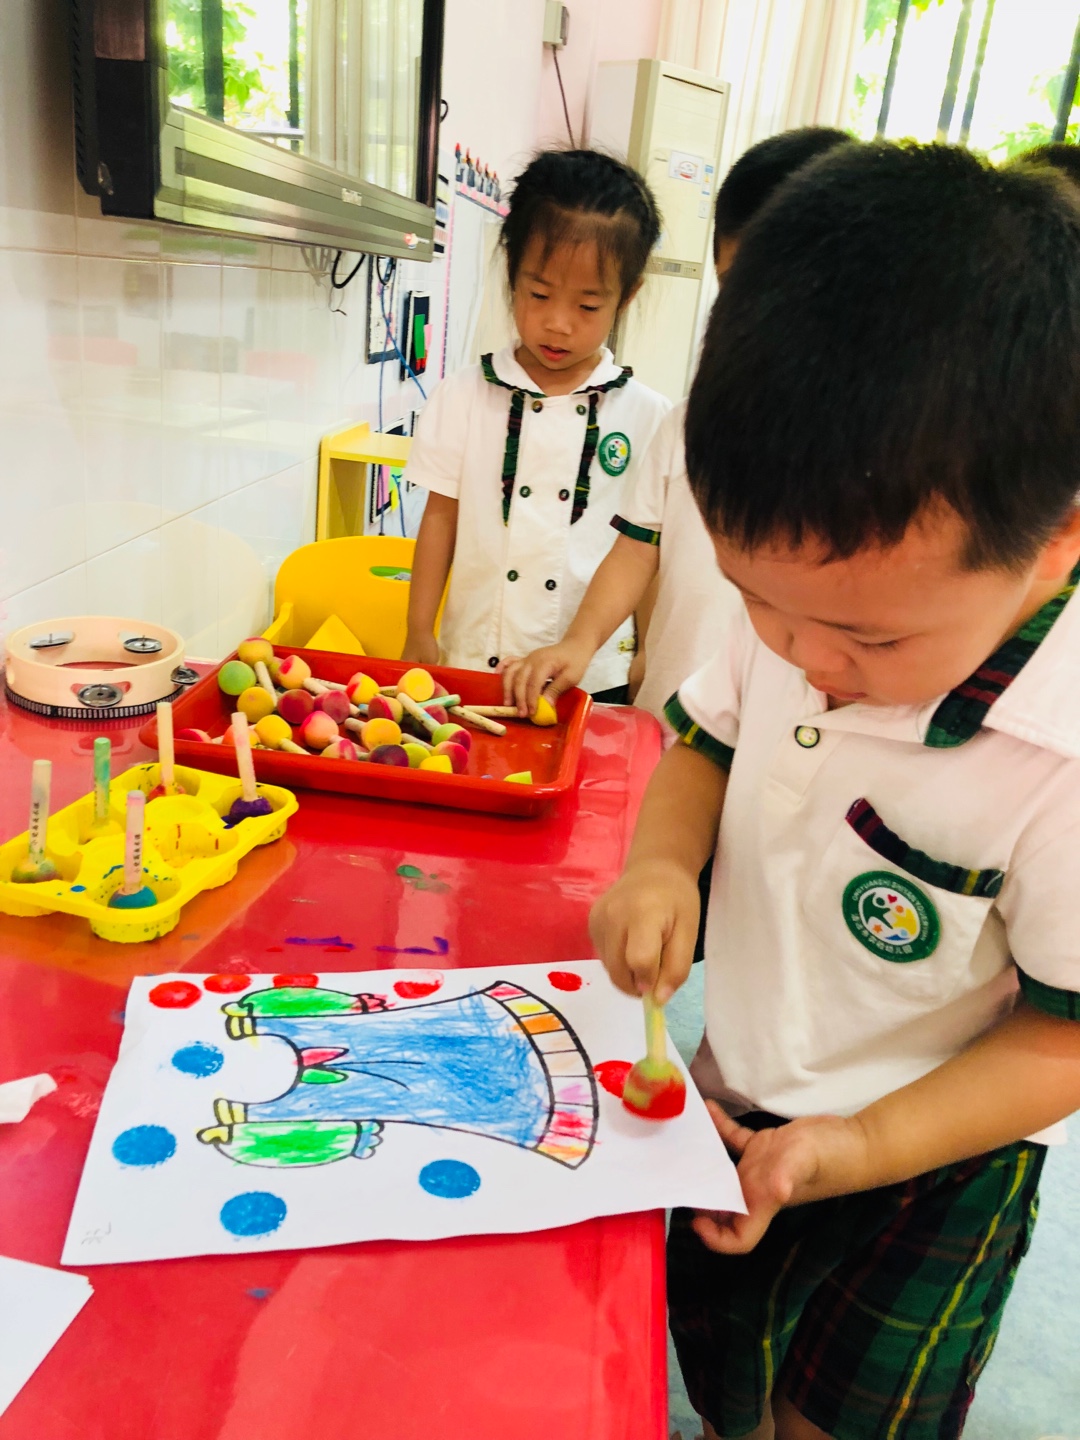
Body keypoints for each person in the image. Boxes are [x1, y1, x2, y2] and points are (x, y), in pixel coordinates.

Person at [590, 142, 1080, 1440]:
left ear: (1057, 542)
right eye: (758, 602)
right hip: (737, 1088)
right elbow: (703, 745)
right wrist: (660, 864)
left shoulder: (1064, 756)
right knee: (724, 1378)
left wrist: (856, 1150)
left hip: (931, 1169)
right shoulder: (810, 598)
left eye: (869, 641)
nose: (803, 658)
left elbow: (1064, 1038)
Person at [502, 127, 853, 732]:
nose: (761, 316)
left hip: (787, 734)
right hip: (671, 716)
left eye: (794, 291)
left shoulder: (870, 451)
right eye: (739, 287)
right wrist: (582, 641)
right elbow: (638, 547)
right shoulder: (689, 423)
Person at [401, 149, 671, 701]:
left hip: (592, 675)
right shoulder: (464, 395)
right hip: (474, 660)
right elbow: (440, 520)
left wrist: (648, 649)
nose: (558, 323)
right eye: (539, 294)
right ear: (512, 272)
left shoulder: (647, 416)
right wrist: (418, 629)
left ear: (627, 296)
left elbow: (643, 548)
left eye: (588, 306)